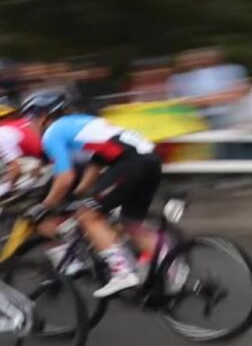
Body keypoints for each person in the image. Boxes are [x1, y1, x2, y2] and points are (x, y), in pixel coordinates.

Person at [24, 91, 163, 298]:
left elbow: (65, 178)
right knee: (131, 223)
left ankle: (122, 272)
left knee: (88, 215)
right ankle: (170, 268)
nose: (30, 126)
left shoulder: (52, 132)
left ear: (43, 116)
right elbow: (97, 162)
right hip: (151, 160)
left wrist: (45, 206)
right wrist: (79, 193)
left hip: (130, 163)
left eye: (30, 120)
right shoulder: (83, 122)